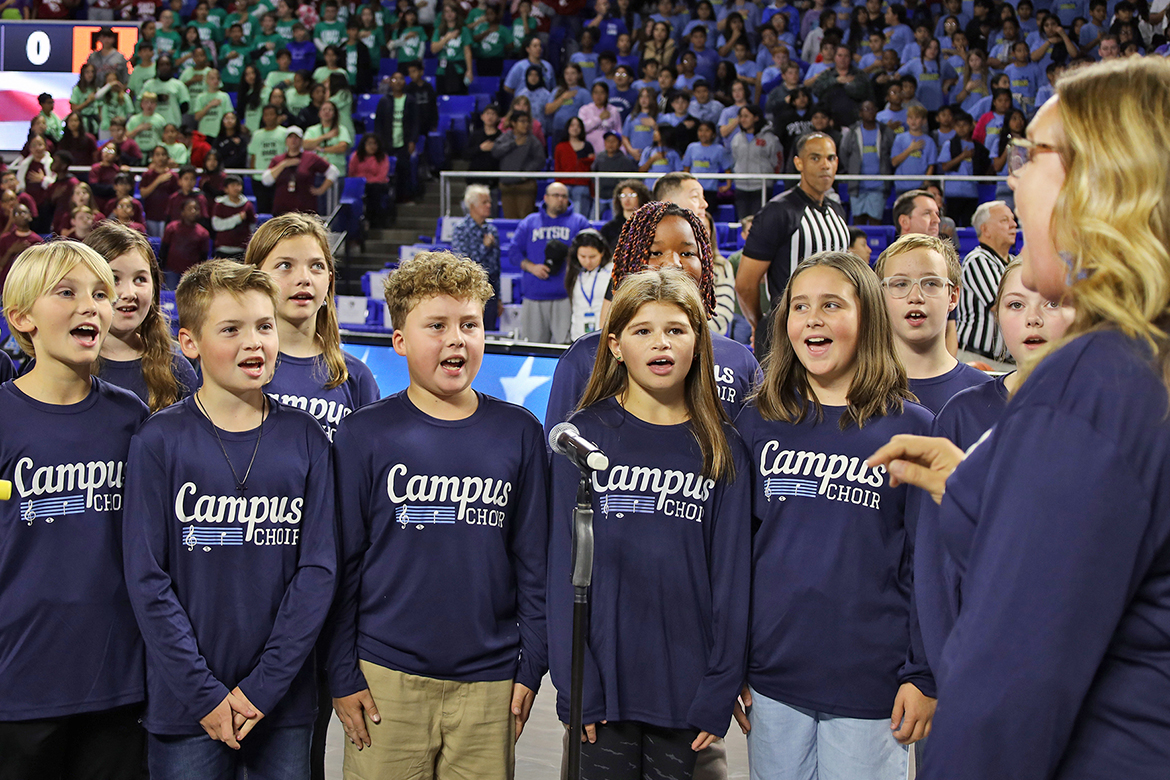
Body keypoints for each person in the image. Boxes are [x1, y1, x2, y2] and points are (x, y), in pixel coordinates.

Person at [867, 56, 1170, 780]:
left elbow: (1010, 686)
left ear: (1103, 180)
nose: (1012, 180)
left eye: (1034, 154)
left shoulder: (1094, 380)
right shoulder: (1145, 364)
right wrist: (977, 486)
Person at [326, 251, 548, 780]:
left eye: (470, 324)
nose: (456, 339)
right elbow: (341, 565)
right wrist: (341, 674)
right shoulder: (364, 434)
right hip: (384, 678)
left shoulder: (518, 432)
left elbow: (534, 562)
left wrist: (531, 666)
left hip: (490, 680)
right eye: (437, 325)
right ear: (400, 341)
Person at [123, 258, 336, 780]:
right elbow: (148, 580)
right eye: (231, 329)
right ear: (189, 342)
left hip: (282, 703)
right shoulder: (158, 441)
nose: (253, 343)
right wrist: (203, 692)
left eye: (264, 326)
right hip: (186, 705)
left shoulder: (308, 439)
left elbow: (318, 572)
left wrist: (263, 687)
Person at [733, 250, 935, 780]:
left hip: (872, 682)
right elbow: (733, 556)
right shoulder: (756, 422)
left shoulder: (913, 428)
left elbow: (927, 565)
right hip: (773, 678)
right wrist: (731, 662)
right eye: (800, 306)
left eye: (831, 304)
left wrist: (923, 673)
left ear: (866, 317)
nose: (813, 319)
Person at [547, 267, 751, 780]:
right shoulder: (581, 437)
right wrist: (577, 684)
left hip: (690, 694)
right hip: (602, 694)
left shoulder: (724, 448)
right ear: (615, 345)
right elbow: (557, 567)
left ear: (699, 342)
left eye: (676, 330)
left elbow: (732, 580)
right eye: (642, 331)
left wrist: (720, 684)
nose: (661, 343)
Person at [0, 241, 149, 780]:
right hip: (17, 683)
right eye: (67, 293)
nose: (91, 306)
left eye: (100, 294)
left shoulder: (129, 417)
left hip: (117, 680)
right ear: (22, 317)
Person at [913, 258, 1075, 675]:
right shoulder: (962, 414)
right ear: (996, 316)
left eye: (1051, 304)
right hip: (972, 659)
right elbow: (934, 561)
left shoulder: (1108, 416)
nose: (1033, 319)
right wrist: (945, 668)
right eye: (1016, 305)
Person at [543, 201, 760, 441]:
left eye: (688, 253)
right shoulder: (585, 356)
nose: (674, 263)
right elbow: (557, 453)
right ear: (629, 261)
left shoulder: (739, 361)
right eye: (655, 252)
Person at [735, 132, 851, 354]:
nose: (825, 165)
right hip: (785, 336)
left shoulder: (837, 211)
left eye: (831, 158)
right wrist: (762, 325)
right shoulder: (777, 211)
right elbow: (745, 284)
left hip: (833, 331)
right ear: (799, 163)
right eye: (815, 158)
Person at [85, 222, 199, 409]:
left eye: (140, 279)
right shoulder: (62, 366)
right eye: (114, 279)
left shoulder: (178, 371)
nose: (130, 293)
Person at [876, 234, 991, 413]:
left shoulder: (987, 394)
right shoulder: (853, 390)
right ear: (881, 296)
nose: (915, 297)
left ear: (953, 297)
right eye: (900, 284)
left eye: (930, 283)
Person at [510, 182, 592, 343]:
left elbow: (592, 250)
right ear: (546, 198)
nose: (560, 199)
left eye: (564, 196)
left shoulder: (579, 222)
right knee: (533, 348)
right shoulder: (530, 222)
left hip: (565, 296)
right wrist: (531, 267)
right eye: (556, 195)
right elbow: (513, 252)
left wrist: (571, 260)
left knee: (565, 347)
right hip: (534, 296)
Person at [956, 200, 1018, 367]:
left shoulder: (1014, 262)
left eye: (1013, 219)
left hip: (1007, 361)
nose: (1013, 225)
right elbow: (1000, 305)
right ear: (985, 229)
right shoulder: (977, 260)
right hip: (978, 359)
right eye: (1005, 220)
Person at [451, 184, 503, 330]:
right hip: (470, 291)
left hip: (490, 290)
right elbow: (463, 263)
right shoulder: (461, 229)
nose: (489, 205)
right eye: (484, 202)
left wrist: (499, 298)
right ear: (472, 205)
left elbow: (496, 266)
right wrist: (484, 247)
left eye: (489, 202)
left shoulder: (492, 229)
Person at [261, 127, 341, 216]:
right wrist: (283, 165)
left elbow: (333, 172)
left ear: (301, 140)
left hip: (305, 211)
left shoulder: (311, 158)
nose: (293, 140)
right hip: (281, 212)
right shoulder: (278, 160)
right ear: (286, 141)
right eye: (290, 137)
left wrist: (321, 190)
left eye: (296, 138)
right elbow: (266, 180)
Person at [838, 99, 894, 226]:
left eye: (873, 109)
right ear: (860, 113)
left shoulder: (886, 132)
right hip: (858, 186)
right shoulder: (852, 132)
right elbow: (843, 153)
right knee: (858, 221)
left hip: (878, 186)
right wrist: (852, 169)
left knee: (876, 221)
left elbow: (892, 153)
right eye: (866, 109)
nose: (870, 112)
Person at [374, 72, 420, 207]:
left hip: (404, 142)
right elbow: (379, 123)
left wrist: (412, 140)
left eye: (401, 78)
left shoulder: (410, 101)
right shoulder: (384, 101)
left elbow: (415, 123)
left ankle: (404, 197)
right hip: (387, 142)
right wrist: (379, 143)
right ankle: (387, 200)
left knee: (404, 170)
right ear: (390, 82)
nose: (398, 81)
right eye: (395, 79)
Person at [492, 112, 546, 220]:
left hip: (525, 186)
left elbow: (540, 160)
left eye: (527, 122)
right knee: (509, 218)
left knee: (525, 218)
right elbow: (495, 152)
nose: (525, 124)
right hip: (506, 185)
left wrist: (525, 173)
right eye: (522, 121)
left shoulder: (532, 140)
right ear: (513, 123)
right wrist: (513, 144)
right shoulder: (505, 137)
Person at [565, 229, 613, 340]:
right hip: (578, 334)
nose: (587, 261)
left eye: (592, 257)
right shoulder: (574, 272)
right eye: (582, 256)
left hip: (603, 334)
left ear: (602, 253)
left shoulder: (611, 271)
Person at [555, 117, 597, 219]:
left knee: (580, 216)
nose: (575, 128)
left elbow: (592, 167)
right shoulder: (560, 147)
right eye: (572, 125)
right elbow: (557, 168)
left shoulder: (588, 146)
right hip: (565, 185)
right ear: (568, 128)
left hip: (582, 185)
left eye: (578, 126)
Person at [348, 134, 392, 228]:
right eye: (369, 143)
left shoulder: (382, 157)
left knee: (374, 190)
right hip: (360, 185)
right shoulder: (356, 156)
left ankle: (373, 221)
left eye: (375, 144)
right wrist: (362, 182)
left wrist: (367, 181)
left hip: (377, 185)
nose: (372, 146)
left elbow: (382, 176)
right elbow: (351, 173)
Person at [210, 174, 256, 258]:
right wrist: (237, 218)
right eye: (232, 185)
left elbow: (252, 225)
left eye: (238, 185)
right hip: (223, 249)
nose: (236, 188)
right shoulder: (219, 205)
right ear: (226, 189)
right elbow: (216, 225)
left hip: (241, 250)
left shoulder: (247, 205)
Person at [592, 132, 639, 207]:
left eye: (613, 141)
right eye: (608, 141)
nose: (610, 144)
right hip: (600, 195)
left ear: (619, 144)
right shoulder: (599, 157)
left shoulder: (625, 160)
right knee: (593, 217)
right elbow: (593, 173)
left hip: (616, 196)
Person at [600, 178, 651, 246]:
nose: (627, 199)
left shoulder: (649, 226)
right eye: (623, 195)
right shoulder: (609, 229)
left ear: (641, 197)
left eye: (632, 195)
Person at [139, 146, 177, 237]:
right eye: (157, 154)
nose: (161, 157)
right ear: (153, 157)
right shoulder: (147, 175)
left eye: (163, 154)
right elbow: (143, 193)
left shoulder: (173, 176)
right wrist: (158, 181)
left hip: (167, 216)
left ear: (168, 157)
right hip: (151, 215)